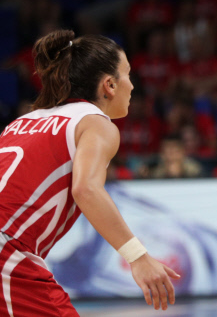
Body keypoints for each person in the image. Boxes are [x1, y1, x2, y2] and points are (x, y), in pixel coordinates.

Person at [0, 30, 179, 314]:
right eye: (128, 75)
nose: (132, 86)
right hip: (7, 252)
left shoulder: (22, 122)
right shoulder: (95, 123)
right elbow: (86, 189)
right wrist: (138, 257)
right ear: (109, 85)